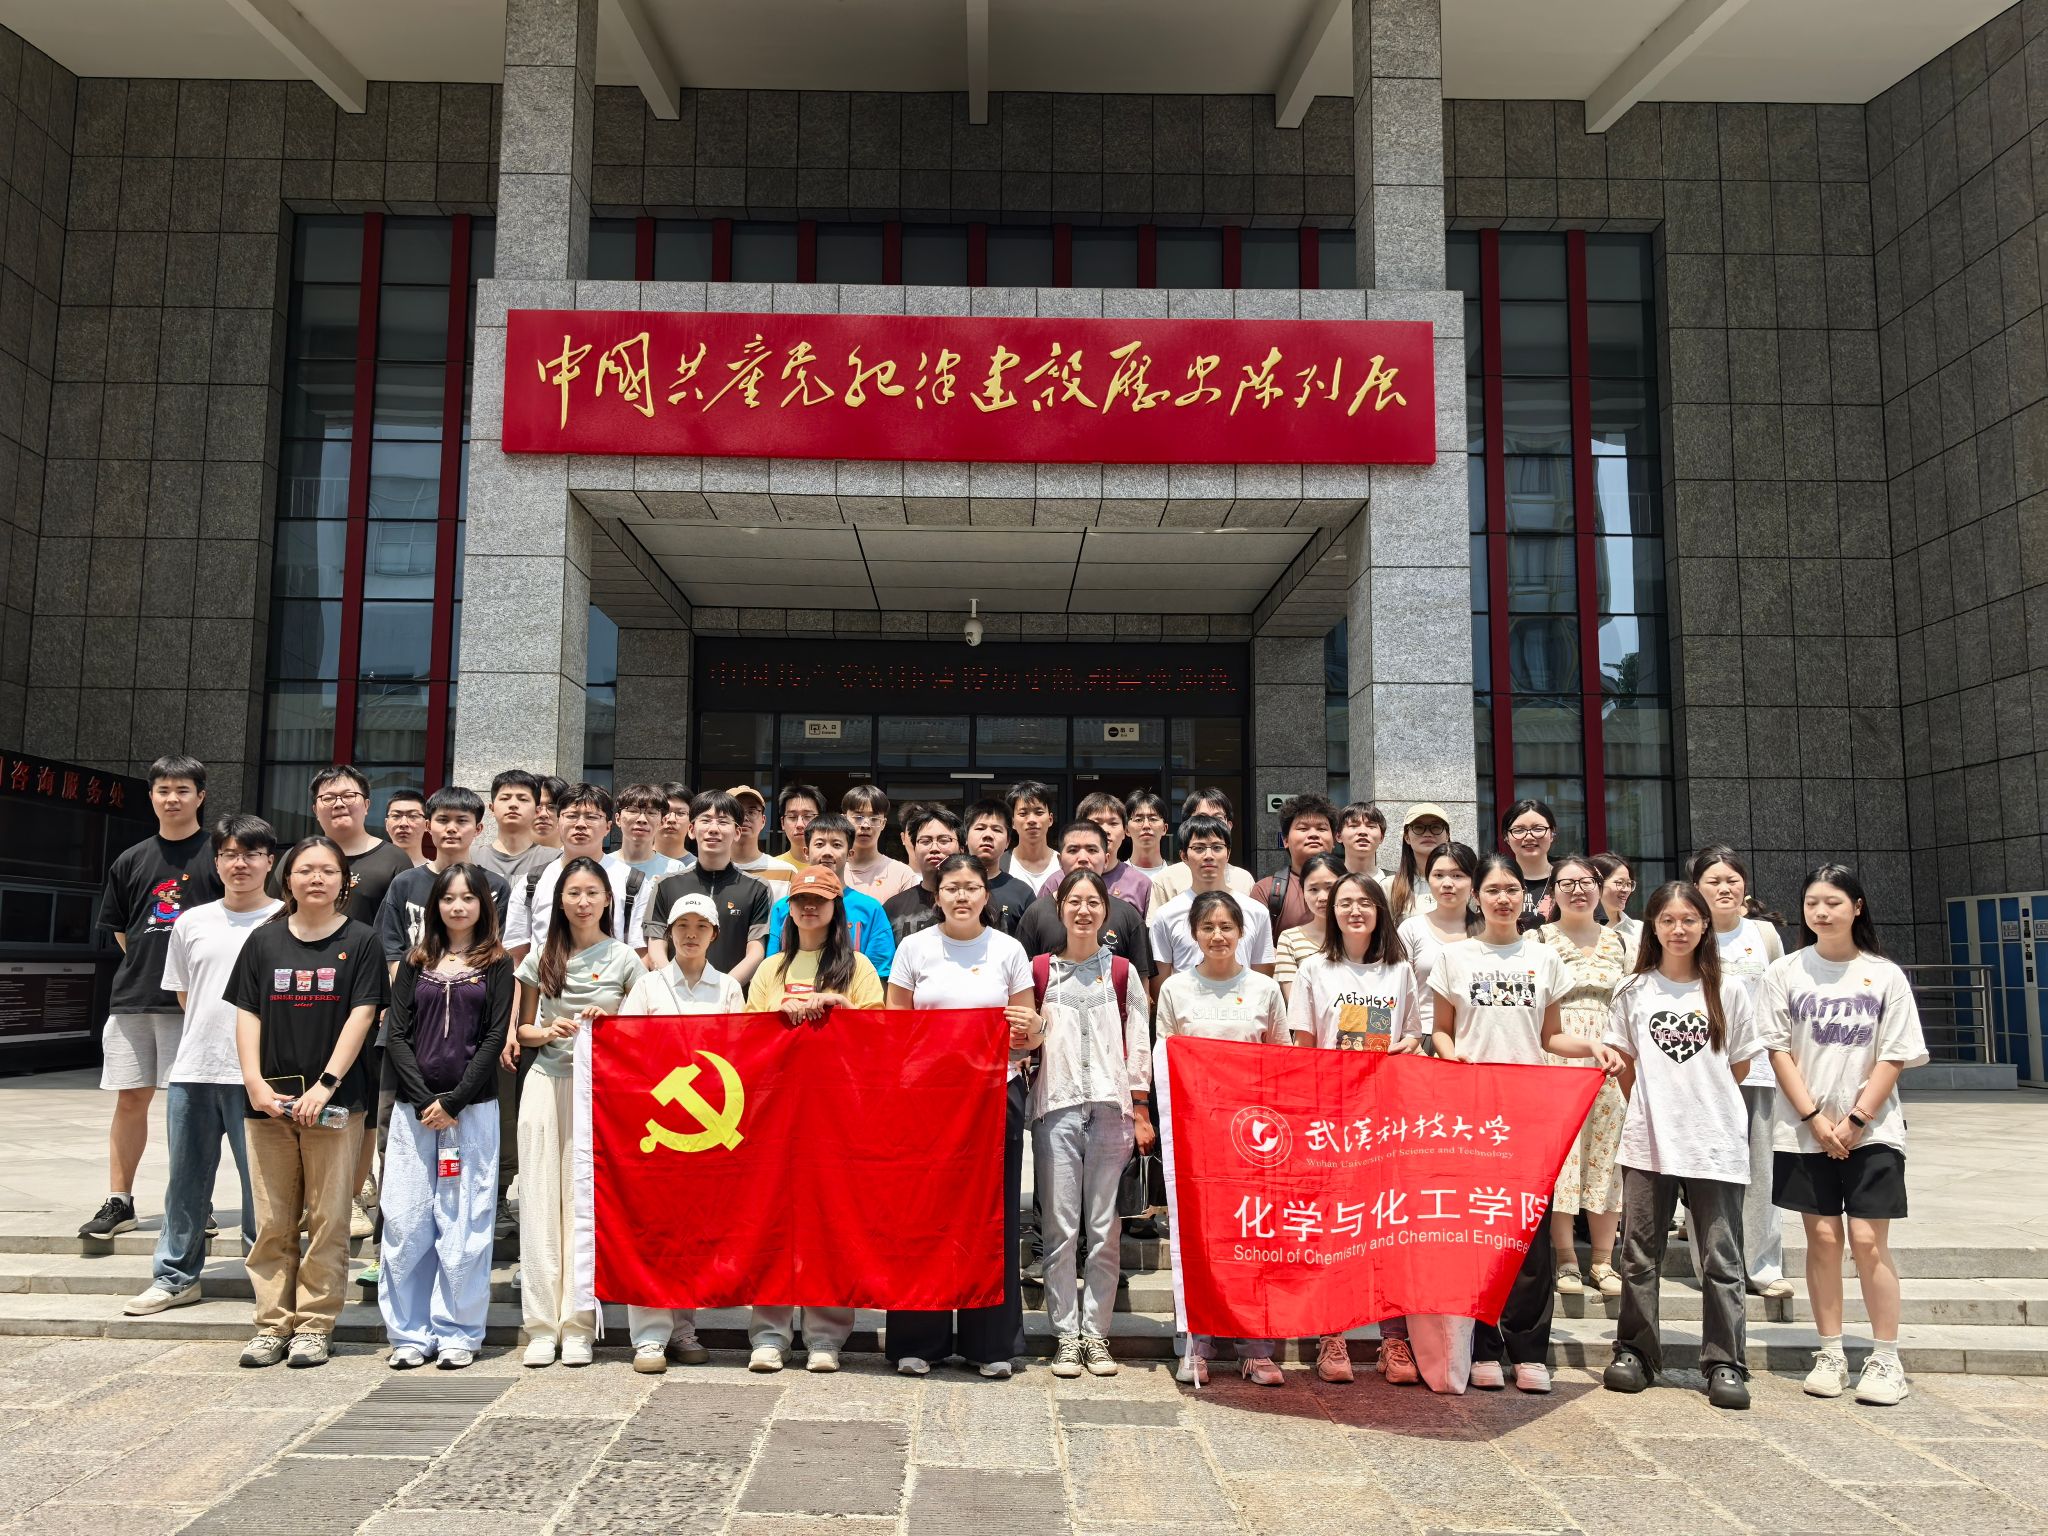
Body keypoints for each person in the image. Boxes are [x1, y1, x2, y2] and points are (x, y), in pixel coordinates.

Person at [1761, 864, 1927, 1407]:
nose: (1821, 912)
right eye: (1812, 902)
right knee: (1824, 1239)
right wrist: (1814, 1118)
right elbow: (1778, 1050)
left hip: (1873, 1132)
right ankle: (1830, 1351)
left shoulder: (1884, 975)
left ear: (1857, 907)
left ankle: (1886, 1357)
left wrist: (1856, 1120)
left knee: (1868, 1241)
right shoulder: (1785, 972)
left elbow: (1894, 1054)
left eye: (1833, 902)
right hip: (1804, 1130)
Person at [1593, 880, 1757, 1411]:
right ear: (1654, 926)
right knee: (1640, 1254)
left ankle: (1725, 1362)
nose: (1678, 929)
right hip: (1649, 1140)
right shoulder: (1633, 990)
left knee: (1721, 1258)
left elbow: (1739, 1066)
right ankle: (1636, 1353)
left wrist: (1700, 1105)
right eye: (1668, 920)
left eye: (1689, 919)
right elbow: (1624, 1065)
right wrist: (1655, 1106)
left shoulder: (1729, 990)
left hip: (1714, 1142)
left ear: (1705, 925)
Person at [226, 835, 386, 1368]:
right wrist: (253, 1082)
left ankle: (315, 1326)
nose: (316, 878)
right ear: (287, 880)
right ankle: (272, 1325)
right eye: (305, 870)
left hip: (335, 1103)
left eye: (328, 870)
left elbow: (363, 1013)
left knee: (328, 1218)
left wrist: (326, 1083)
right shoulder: (263, 941)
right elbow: (247, 1012)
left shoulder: (361, 940)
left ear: (344, 882)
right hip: (268, 1102)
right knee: (272, 1221)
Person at [885, 853, 1039, 1379]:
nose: (962, 896)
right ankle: (917, 1340)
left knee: (992, 1217)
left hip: (995, 1094)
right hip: (927, 1101)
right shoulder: (914, 948)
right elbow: (896, 1028)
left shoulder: (1008, 949)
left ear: (986, 895)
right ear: (936, 895)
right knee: (923, 1216)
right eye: (951, 887)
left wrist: (1030, 1028)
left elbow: (1026, 1029)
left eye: (971, 887)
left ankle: (989, 1342)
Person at [123, 813, 280, 1316]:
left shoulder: (285, 920)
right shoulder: (191, 921)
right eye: (230, 854)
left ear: (270, 862)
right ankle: (175, 1277)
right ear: (216, 861)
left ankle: (268, 1279)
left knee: (263, 1184)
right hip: (195, 1070)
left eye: (251, 854)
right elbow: (187, 995)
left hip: (262, 1076)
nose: (240, 863)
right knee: (186, 1182)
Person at [1427, 854, 1571, 1393]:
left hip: (1529, 1112)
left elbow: (1551, 1037)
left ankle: (1530, 1350)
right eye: (1493, 890)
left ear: (1524, 897)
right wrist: (1452, 1056)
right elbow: (1441, 1031)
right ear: (1477, 897)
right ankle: (1484, 1347)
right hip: (1471, 1113)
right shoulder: (1454, 958)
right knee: (1478, 1230)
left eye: (1512, 889)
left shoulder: (1544, 958)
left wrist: (1592, 1049)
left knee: (1530, 1234)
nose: (1503, 899)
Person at [1284, 870, 1423, 1386]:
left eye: (1365, 901)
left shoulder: (1400, 971)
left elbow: (1414, 1035)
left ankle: (1394, 1340)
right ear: (1331, 911)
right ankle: (1332, 1335)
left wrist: (1407, 1046)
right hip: (1332, 1120)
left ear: (1380, 910)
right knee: (1333, 1229)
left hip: (1385, 1120)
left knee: (1388, 1230)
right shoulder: (1313, 970)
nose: (1354, 910)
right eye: (1345, 902)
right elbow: (1303, 1049)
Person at [745, 863, 886, 1373]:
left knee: (832, 1222)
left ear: (835, 909)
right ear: (789, 909)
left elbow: (880, 1033)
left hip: (837, 1114)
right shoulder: (771, 968)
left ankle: (826, 1336)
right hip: (776, 1115)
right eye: (801, 900)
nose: (809, 908)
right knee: (773, 1221)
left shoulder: (859, 968)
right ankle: (770, 1334)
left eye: (819, 901)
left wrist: (842, 1006)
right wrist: (775, 1016)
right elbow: (745, 1037)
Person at [379, 863, 514, 1370]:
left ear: (483, 904)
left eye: (468, 898)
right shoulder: (416, 960)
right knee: (407, 1219)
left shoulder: (498, 963)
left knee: (465, 1223)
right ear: (435, 904)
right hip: (414, 1112)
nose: (458, 907)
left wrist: (454, 1101)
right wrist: (423, 1100)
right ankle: (409, 1333)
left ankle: (458, 1331)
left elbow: (494, 1037)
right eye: (449, 898)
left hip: (471, 1112)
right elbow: (397, 1034)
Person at [85, 753, 224, 1240]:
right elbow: (123, 932)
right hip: (135, 999)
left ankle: (195, 1202)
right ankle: (119, 1201)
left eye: (183, 790)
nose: (172, 799)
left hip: (196, 1004)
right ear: (151, 797)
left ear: (200, 797)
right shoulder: (131, 859)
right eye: (163, 790)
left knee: (192, 1108)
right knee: (130, 1100)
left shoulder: (219, 854)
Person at [512, 856, 644, 1367]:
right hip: (546, 1083)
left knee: (584, 1205)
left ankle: (579, 1327)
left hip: (600, 1093)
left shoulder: (626, 959)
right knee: (540, 1202)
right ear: (560, 901)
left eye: (592, 893)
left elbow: (641, 1030)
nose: (583, 902)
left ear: (608, 900)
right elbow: (524, 1030)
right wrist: (547, 1031)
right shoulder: (540, 957)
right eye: (574, 893)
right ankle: (541, 1326)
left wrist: (607, 1021)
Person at [1157, 892, 1291, 1386]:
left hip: (1253, 1139)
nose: (1218, 936)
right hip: (1196, 1137)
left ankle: (1255, 1347)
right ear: (1194, 933)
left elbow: (1282, 1060)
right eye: (1208, 927)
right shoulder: (1175, 989)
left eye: (1226, 927)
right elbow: (1165, 1059)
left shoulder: (1263, 989)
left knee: (1254, 1239)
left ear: (1242, 933)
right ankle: (1197, 1343)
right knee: (1200, 1241)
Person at [615, 893, 746, 1374]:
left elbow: (741, 1052)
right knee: (652, 1229)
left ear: (715, 934)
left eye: (701, 926)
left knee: (693, 1229)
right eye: (682, 925)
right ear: (668, 933)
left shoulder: (728, 988)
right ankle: (650, 1335)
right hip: (655, 1125)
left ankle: (684, 1327)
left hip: (707, 1131)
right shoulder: (647, 987)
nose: (691, 934)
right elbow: (624, 1048)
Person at [1031, 868, 1150, 1380]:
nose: (1083, 911)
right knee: (1060, 1230)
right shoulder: (1039, 971)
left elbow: (1139, 1040)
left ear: (1106, 910)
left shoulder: (1121, 972)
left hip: (1110, 1110)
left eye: (1092, 902)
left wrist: (1140, 1108)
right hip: (1055, 1108)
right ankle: (1065, 1334)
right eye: (1074, 902)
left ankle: (1096, 1335)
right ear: (1060, 908)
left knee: (1104, 1230)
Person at [295, 766, 420, 1241]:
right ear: (315, 808)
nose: (339, 803)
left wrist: (393, 999)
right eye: (328, 797)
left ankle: (355, 1188)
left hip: (368, 1001)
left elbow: (400, 937)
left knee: (361, 1101)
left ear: (367, 805)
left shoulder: (392, 861)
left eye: (348, 795)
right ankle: (312, 1194)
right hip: (306, 997)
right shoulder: (303, 857)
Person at [1689, 845, 1792, 1300]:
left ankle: (1764, 1266)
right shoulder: (1688, 932)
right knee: (1705, 1169)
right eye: (1713, 881)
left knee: (1761, 1170)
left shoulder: (1763, 935)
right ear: (1696, 888)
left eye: (1732, 879)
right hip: (1702, 1072)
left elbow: (1781, 1000)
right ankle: (1712, 1264)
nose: (1724, 888)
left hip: (1759, 1070)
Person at [1537, 855, 1631, 1300]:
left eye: (1586, 882)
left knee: (1606, 1152)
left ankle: (1603, 1260)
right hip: (1555, 1054)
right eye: (1567, 883)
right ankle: (1566, 1259)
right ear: (1552, 891)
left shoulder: (1621, 941)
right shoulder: (1538, 940)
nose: (1578, 890)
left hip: (1611, 1058)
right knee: (1563, 1157)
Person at [504, 783, 659, 960]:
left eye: (592, 817)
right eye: (571, 816)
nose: (580, 824)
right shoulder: (532, 882)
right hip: (545, 976)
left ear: (608, 827)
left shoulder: (633, 882)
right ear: (558, 823)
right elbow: (517, 954)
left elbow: (640, 954)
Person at [643, 791, 771, 982]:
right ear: (691, 830)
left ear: (737, 832)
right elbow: (656, 945)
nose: (713, 829)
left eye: (723, 821)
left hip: (732, 997)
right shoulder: (666, 885)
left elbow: (755, 952)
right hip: (673, 994)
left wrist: (723, 990)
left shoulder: (757, 888)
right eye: (705, 820)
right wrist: (674, 986)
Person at [765, 812, 897, 982]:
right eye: (819, 844)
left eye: (836, 845)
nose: (827, 852)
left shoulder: (870, 909)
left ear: (850, 854)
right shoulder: (783, 907)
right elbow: (772, 969)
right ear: (806, 852)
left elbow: (879, 976)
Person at [1146, 814, 1272, 991]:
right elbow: (1161, 986)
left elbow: (1262, 979)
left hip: (1243, 1005)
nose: (1208, 855)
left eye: (1217, 847)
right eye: (1198, 848)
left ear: (1228, 854)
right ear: (1183, 855)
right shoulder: (1166, 914)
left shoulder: (1256, 911)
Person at [1015, 821, 1154, 976]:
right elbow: (1022, 982)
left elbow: (1141, 984)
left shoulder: (1128, 916)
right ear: (1060, 860)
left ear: (1106, 860)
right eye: (1073, 850)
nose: (1082, 858)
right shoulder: (1035, 914)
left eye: (1092, 850)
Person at [1146, 789, 1256, 917]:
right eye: (1202, 817)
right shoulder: (1166, 879)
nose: (1210, 823)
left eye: (1218, 817)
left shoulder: (1244, 879)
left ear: (1229, 825)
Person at [1249, 793, 1339, 933]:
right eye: (1303, 828)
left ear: (1334, 840)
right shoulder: (1265, 890)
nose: (1313, 834)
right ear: (1285, 840)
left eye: (1321, 829)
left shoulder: (1350, 885)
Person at [1397, 842, 1477, 997]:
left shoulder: (1487, 928)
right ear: (1428, 879)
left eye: (1457, 875)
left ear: (1473, 881)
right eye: (1438, 875)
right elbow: (1400, 989)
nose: (1447, 884)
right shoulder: (1411, 929)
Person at [1048, 792, 1152, 911]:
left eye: (1113, 823)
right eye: (1096, 823)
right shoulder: (1056, 882)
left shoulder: (1140, 884)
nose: (1105, 830)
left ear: (1125, 831)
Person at [1272, 850, 1346, 1004]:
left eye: (1330, 887)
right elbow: (1295, 1002)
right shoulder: (1289, 939)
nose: (1322, 897)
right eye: (1313, 889)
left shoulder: (1360, 935)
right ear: (1303, 892)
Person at [883, 804, 963, 940]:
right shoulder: (893, 908)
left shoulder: (976, 903)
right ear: (914, 849)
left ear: (962, 849)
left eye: (944, 840)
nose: (934, 848)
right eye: (925, 841)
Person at [963, 799, 1039, 935]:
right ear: (966, 837)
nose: (988, 835)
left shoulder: (1022, 893)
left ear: (1008, 842)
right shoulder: (949, 887)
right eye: (980, 828)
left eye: (997, 830)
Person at [473, 769, 555, 889]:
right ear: (492, 808)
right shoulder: (471, 857)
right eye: (505, 798)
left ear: (537, 811)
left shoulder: (554, 860)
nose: (513, 804)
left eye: (523, 799)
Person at [842, 784, 919, 902]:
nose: (866, 825)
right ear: (844, 820)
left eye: (874, 819)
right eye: (858, 817)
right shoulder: (831, 870)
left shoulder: (902, 874)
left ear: (883, 823)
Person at [1387, 803, 1453, 923]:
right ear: (1407, 837)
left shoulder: (1464, 883)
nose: (1427, 833)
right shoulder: (1390, 886)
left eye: (1436, 827)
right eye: (1418, 827)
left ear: (1447, 836)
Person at [1500, 799, 1558, 930]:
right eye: (1519, 830)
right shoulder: (1496, 880)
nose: (1529, 837)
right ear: (1506, 836)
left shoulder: (1568, 880)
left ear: (1552, 833)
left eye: (1538, 829)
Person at [614, 783, 688, 880]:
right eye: (633, 811)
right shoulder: (602, 865)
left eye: (651, 812)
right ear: (618, 819)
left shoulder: (674, 870)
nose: (642, 819)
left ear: (662, 822)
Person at [1001, 780, 1061, 891]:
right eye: (1023, 813)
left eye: (1039, 812)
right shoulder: (1000, 865)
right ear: (1012, 822)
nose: (1031, 820)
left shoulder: (1063, 865)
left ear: (1050, 819)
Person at [727, 784, 791, 887]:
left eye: (751, 812)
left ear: (763, 821)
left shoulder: (786, 872)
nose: (744, 818)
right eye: (736, 812)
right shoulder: (707, 869)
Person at [775, 782, 824, 870]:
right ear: (782, 823)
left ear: (821, 820)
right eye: (792, 817)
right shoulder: (772, 868)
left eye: (808, 816)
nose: (799, 825)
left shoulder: (835, 867)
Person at [1335, 801, 1388, 882]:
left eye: (1371, 826)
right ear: (1339, 836)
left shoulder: (1396, 883)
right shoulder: (1329, 882)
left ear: (1381, 837)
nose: (1363, 832)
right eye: (1353, 826)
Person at [1124, 791, 1171, 879]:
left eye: (1153, 819)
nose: (1146, 825)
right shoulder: (1117, 877)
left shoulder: (1177, 876)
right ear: (1127, 830)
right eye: (1138, 820)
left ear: (1164, 829)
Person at [383, 789, 430, 867]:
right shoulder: (371, 868)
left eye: (413, 816)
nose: (403, 823)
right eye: (396, 816)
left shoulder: (437, 872)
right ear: (386, 824)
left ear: (427, 825)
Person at [656, 781, 697, 870]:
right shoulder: (631, 864)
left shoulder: (697, 870)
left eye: (681, 813)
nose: (671, 819)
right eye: (665, 812)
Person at [532, 775, 567, 850]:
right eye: (537, 806)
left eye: (552, 807)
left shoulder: (580, 856)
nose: (543, 814)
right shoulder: (509, 855)